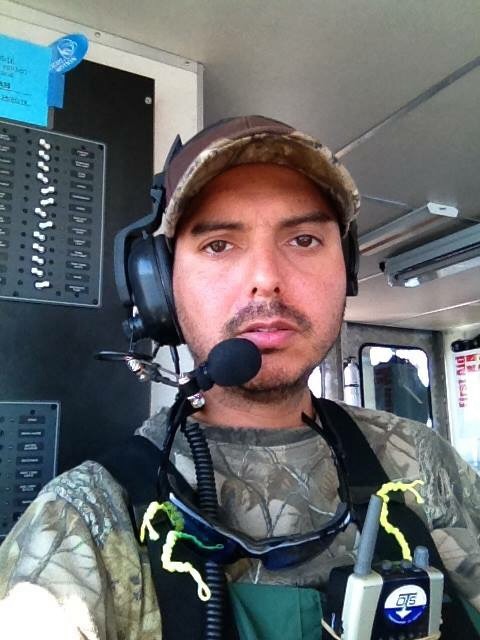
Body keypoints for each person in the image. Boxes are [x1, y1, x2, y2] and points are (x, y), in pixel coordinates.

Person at [0, 115, 479, 639]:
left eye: (302, 239)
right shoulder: (82, 520)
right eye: (219, 245)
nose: (266, 280)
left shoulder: (424, 463)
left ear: (344, 268)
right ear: (158, 286)